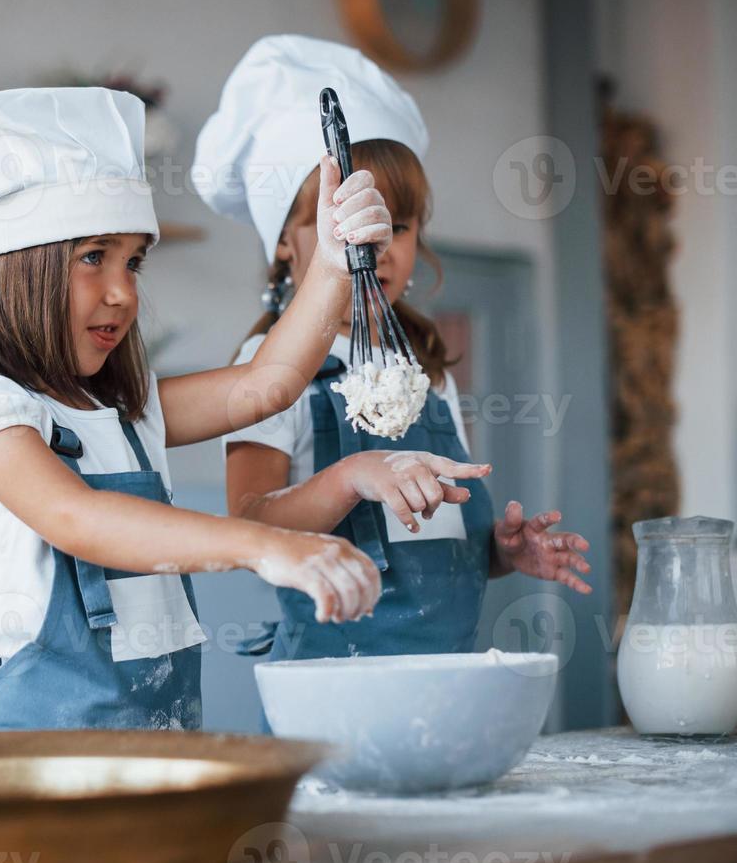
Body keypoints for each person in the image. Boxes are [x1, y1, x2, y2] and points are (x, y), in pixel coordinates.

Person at [0, 87, 391, 730]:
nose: (123, 292)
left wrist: (330, 261)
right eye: (94, 258)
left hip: (163, 749)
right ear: (10, 271)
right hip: (45, 763)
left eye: (133, 262)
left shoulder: (129, 411)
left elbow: (269, 383)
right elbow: (79, 517)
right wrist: (265, 546)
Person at [195, 37, 591, 663]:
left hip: (446, 669)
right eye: (345, 225)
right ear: (285, 246)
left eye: (396, 226)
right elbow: (250, 526)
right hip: (333, 681)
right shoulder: (264, 364)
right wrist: (351, 478)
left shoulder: (426, 363)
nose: (375, 246)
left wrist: (501, 553)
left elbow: (433, 539)